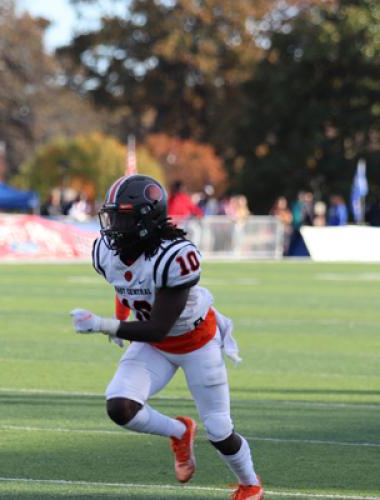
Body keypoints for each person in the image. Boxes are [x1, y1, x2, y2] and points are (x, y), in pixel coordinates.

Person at [70, 174, 263, 499]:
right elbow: (125, 282)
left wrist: (104, 325)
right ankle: (179, 432)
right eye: (112, 215)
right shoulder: (105, 251)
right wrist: (119, 315)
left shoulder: (175, 256)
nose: (114, 225)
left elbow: (158, 326)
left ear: (146, 221)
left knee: (219, 429)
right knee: (120, 407)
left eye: (123, 217)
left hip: (196, 341)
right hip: (155, 345)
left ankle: (250, 483)